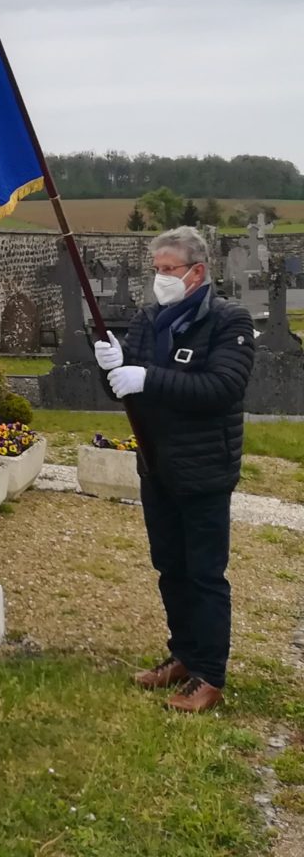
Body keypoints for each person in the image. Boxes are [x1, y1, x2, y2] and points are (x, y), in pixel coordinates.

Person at [94, 226, 255, 713]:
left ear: (197, 272)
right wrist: (113, 370)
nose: (160, 279)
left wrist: (147, 376)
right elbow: (127, 390)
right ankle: (182, 653)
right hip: (156, 462)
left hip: (203, 466)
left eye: (169, 270)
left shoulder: (230, 321)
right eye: (156, 270)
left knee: (205, 572)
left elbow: (221, 387)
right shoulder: (150, 318)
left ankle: (210, 673)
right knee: (170, 566)